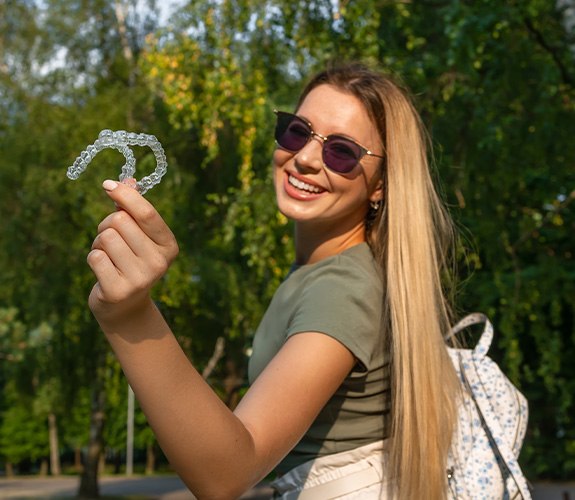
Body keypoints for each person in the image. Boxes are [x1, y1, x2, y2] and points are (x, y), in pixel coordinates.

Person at [87, 62, 460, 499]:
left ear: (380, 184)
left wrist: (130, 317)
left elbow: (227, 473)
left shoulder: (344, 288)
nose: (304, 158)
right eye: (296, 131)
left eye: (342, 151)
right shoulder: (322, 272)